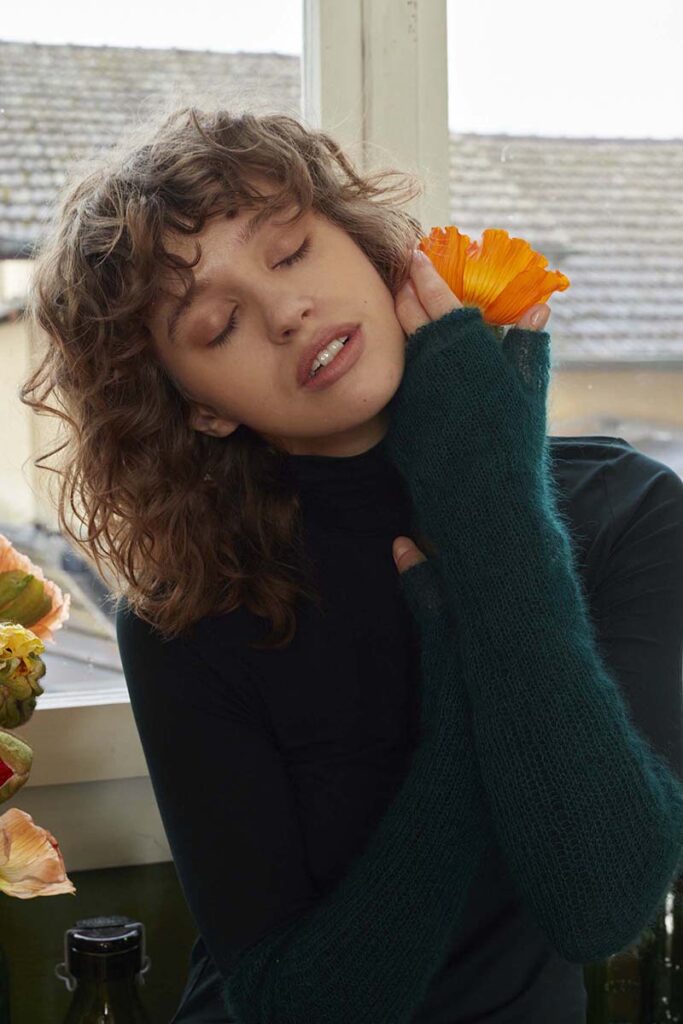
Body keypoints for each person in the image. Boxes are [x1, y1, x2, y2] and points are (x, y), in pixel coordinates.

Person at [21, 107, 683, 1023]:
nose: (286, 311)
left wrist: (495, 514)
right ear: (201, 408)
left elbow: (598, 904)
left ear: (374, 252)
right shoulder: (189, 613)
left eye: (291, 252)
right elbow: (294, 1004)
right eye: (218, 325)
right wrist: (458, 696)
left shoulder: (629, 511)